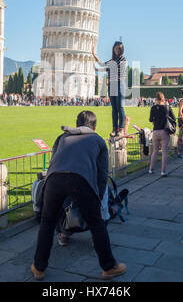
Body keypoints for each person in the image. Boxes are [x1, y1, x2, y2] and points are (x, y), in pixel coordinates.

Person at [31, 111, 126, 281]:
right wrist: (97, 197)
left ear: (76, 124)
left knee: (47, 223)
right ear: (95, 126)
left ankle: (39, 268)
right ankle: (109, 267)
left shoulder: (62, 138)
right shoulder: (97, 140)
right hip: (80, 179)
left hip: (54, 179)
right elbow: (102, 174)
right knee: (96, 223)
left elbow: (54, 160)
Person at [92, 42, 127, 137]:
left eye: (119, 49)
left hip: (119, 84)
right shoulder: (112, 60)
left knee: (120, 107)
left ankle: (121, 128)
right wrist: (95, 56)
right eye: (116, 48)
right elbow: (102, 65)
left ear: (121, 50)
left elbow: (111, 67)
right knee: (114, 109)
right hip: (112, 85)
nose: (117, 50)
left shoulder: (122, 59)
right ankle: (114, 128)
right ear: (113, 49)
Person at [149, 92, 176, 177]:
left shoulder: (153, 107)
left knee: (155, 151)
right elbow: (174, 118)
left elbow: (150, 119)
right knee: (164, 152)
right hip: (164, 131)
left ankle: (150, 169)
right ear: (163, 98)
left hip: (155, 131)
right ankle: (163, 171)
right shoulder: (167, 107)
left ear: (156, 98)